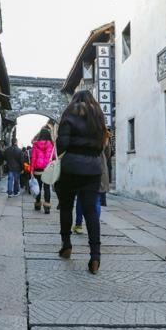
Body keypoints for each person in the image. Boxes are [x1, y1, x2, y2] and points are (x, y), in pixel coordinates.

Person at [55, 90, 106, 275]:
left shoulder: (69, 113)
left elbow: (62, 144)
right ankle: (95, 256)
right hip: (93, 168)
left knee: (67, 206)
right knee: (90, 210)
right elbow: (102, 145)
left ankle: (66, 244)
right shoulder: (99, 116)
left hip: (71, 167)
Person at [73, 130, 110, 233]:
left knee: (81, 198)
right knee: (97, 200)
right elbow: (108, 154)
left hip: (84, 169)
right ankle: (94, 226)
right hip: (100, 170)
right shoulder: (104, 134)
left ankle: (79, 225)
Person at [30, 126, 54, 214]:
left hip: (37, 170)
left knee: (38, 187)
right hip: (47, 170)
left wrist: (31, 171)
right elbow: (54, 157)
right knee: (47, 188)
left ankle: (37, 204)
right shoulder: (51, 145)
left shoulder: (36, 145)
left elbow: (33, 158)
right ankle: (47, 207)